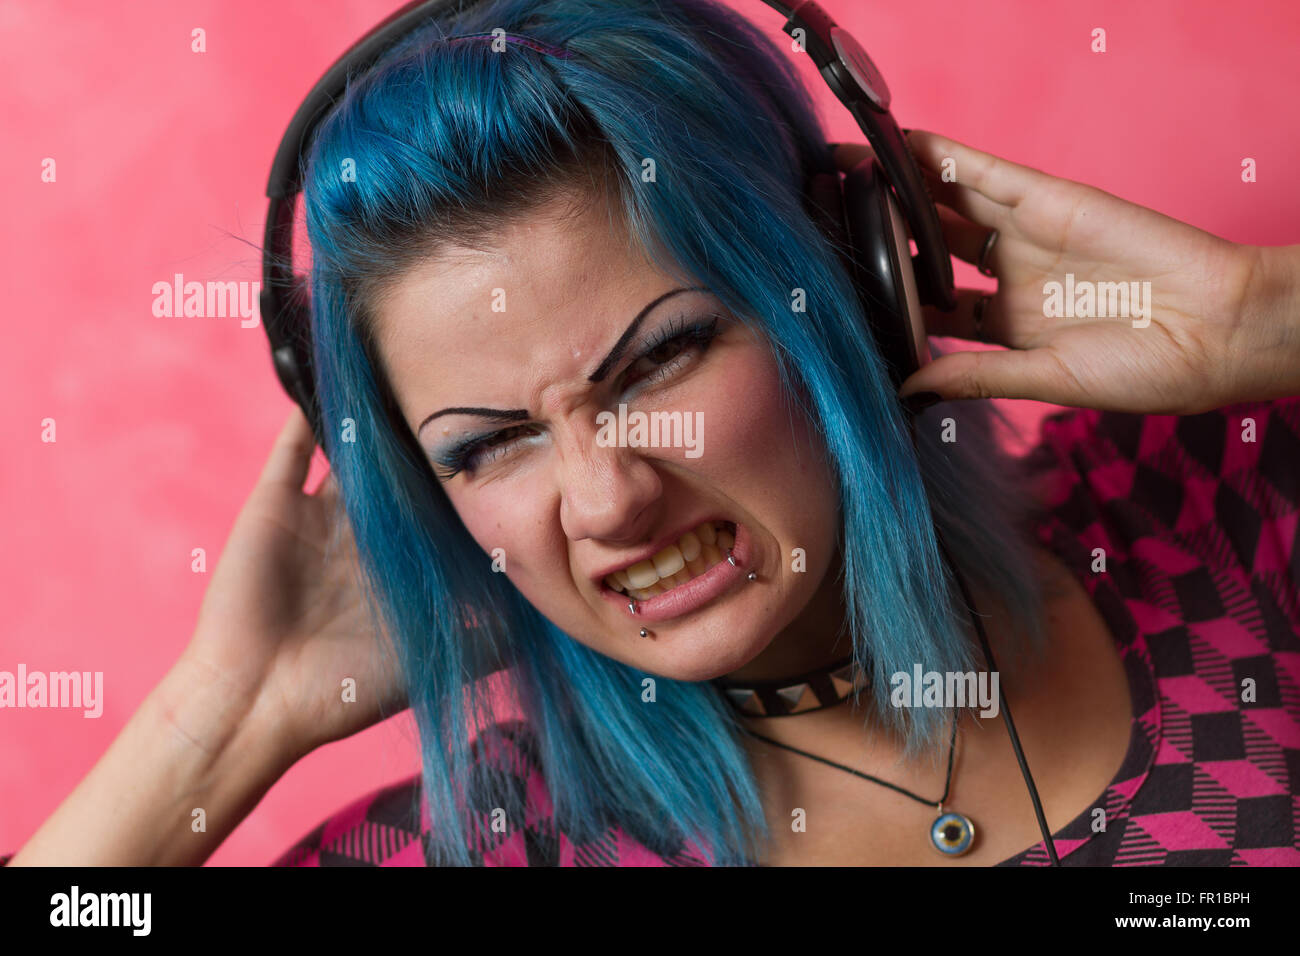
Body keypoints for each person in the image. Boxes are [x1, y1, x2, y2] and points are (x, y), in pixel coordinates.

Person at [8, 0, 1298, 867]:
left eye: (660, 360)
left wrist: (1262, 315)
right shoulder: (490, 845)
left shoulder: (1212, 507)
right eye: (486, 446)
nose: (608, 500)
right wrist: (219, 720)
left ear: (853, 289)